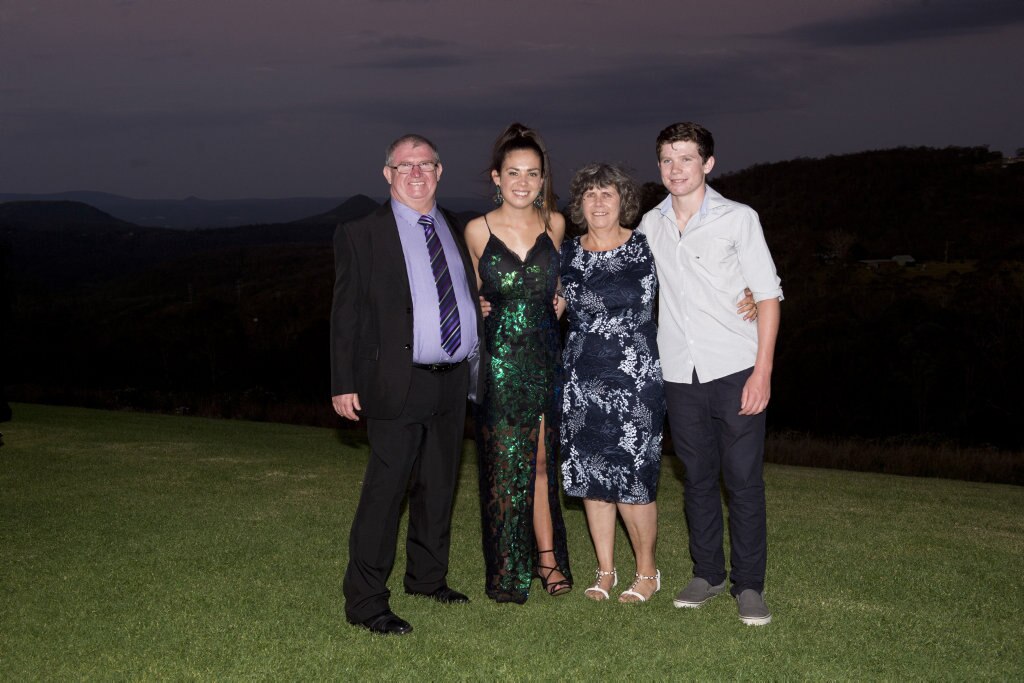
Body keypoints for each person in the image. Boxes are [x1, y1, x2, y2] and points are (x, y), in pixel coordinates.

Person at [330, 133, 484, 635]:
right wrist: (344, 382)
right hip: (397, 382)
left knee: (438, 487)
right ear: (387, 174)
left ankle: (427, 578)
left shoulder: (454, 226)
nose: (415, 173)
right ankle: (367, 601)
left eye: (424, 165)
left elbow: (456, 289)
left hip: (451, 380)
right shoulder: (361, 233)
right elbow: (345, 315)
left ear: (439, 172)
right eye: (404, 166)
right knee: (386, 492)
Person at [638, 122, 782, 625]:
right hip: (678, 371)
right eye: (667, 159)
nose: (676, 169)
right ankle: (707, 574)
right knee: (697, 478)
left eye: (686, 158)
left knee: (742, 480)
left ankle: (749, 585)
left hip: (735, 367)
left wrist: (761, 372)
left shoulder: (739, 219)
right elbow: (619, 275)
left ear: (708, 164)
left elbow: (766, 295)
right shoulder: (650, 225)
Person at [463, 123, 572, 603]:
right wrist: (480, 306)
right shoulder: (477, 229)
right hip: (502, 362)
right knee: (505, 465)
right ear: (496, 177)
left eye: (532, 173)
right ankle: (507, 571)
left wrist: (563, 300)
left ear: (543, 178)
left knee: (544, 464)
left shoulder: (557, 224)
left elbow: (561, 284)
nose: (523, 182)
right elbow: (469, 296)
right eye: (513, 172)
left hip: (546, 357)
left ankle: (547, 561)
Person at [558, 163, 666, 603]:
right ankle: (605, 570)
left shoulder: (647, 245)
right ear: (580, 204)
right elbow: (551, 306)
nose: (599, 202)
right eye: (590, 195)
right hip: (582, 381)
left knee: (634, 476)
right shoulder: (566, 253)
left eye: (608, 194)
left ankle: (647, 572)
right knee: (591, 475)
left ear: (624, 201)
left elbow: (693, 282)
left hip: (636, 379)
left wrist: (747, 295)